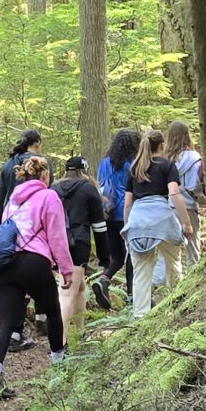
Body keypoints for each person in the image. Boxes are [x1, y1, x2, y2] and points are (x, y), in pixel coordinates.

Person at [0, 152, 74, 402]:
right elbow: (57, 237)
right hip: (34, 262)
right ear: (45, 175)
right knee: (53, 311)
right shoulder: (49, 196)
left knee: (7, 322)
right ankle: (59, 366)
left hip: (8, 265)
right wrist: (66, 271)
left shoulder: (13, 201)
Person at [124, 130, 189, 317]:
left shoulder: (134, 169)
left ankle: (140, 317)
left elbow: (128, 203)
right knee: (174, 264)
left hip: (138, 221)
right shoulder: (168, 166)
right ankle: (177, 307)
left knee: (141, 273)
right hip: (163, 220)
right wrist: (186, 224)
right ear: (162, 146)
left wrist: (127, 227)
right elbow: (174, 194)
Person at [54, 155, 108, 334]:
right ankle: (59, 345)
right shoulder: (88, 189)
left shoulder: (53, 189)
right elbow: (99, 227)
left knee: (79, 287)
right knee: (67, 293)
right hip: (78, 244)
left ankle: (79, 332)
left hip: (56, 243)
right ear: (83, 170)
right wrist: (104, 257)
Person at [94, 128, 141, 315]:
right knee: (132, 255)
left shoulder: (104, 163)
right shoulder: (133, 164)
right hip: (127, 214)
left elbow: (100, 186)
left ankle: (104, 279)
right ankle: (132, 295)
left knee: (116, 257)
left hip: (107, 214)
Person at [168, 119, 206, 255]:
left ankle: (173, 276)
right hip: (189, 207)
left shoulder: (168, 159)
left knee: (172, 253)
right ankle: (193, 276)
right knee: (193, 251)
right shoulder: (194, 157)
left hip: (170, 207)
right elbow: (196, 185)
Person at [0, 127, 42, 234]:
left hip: (10, 223)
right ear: (38, 143)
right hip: (35, 224)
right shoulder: (41, 164)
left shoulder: (7, 165)